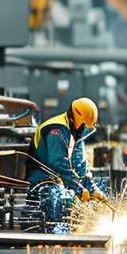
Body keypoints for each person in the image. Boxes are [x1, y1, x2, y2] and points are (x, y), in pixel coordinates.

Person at [27, 97, 108, 231]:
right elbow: (59, 163)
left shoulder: (77, 132)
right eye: (85, 124)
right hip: (40, 182)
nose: (85, 128)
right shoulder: (57, 129)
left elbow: (80, 165)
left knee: (65, 211)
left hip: (56, 181)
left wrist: (93, 189)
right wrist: (79, 189)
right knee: (51, 222)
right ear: (77, 118)